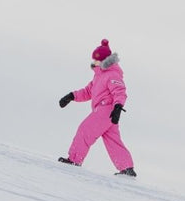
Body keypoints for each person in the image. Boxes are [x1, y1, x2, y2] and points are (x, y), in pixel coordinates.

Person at [57, 39, 136, 177]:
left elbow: (120, 91)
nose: (94, 61)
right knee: (113, 140)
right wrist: (71, 96)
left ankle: (74, 159)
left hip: (106, 110)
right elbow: (88, 91)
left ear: (105, 60)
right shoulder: (99, 76)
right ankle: (127, 168)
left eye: (97, 59)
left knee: (85, 130)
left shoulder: (112, 74)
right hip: (107, 113)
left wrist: (118, 107)